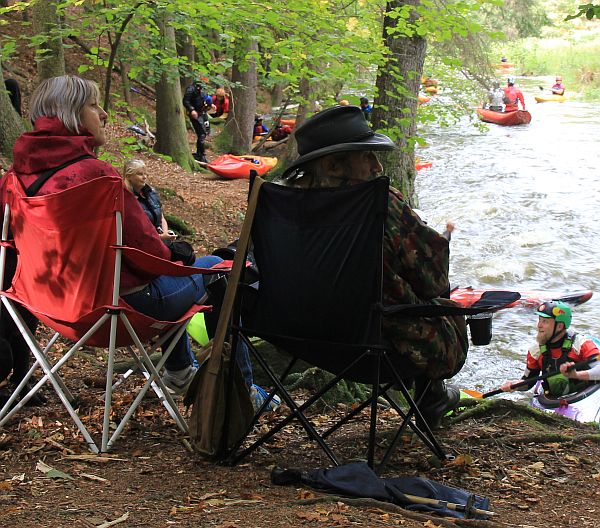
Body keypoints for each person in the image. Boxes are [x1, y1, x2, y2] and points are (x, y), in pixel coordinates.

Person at [0, 75, 250, 396]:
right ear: (70, 113)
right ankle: (238, 392)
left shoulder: (13, 181)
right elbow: (151, 257)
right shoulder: (98, 179)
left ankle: (181, 372)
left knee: (180, 282)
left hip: (52, 311)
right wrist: (178, 255)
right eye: (93, 105)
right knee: (219, 269)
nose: (103, 114)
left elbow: (12, 255)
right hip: (117, 312)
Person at [279, 105, 468, 429]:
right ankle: (431, 396)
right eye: (367, 157)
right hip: (372, 343)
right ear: (334, 164)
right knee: (447, 313)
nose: (378, 166)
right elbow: (434, 280)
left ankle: (430, 396)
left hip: (295, 334)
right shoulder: (378, 203)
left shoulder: (280, 205)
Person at [501, 302, 600, 397]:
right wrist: (514, 385)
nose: (539, 325)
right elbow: (528, 382)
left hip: (587, 392)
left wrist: (576, 375)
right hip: (555, 400)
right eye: (539, 320)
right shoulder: (535, 352)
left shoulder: (581, 344)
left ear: (560, 326)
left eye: (545, 321)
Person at [123, 159, 176, 241]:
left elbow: (161, 216)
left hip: (159, 239)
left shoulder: (151, 193)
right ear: (129, 176)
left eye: (145, 174)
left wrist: (165, 233)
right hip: (144, 244)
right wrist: (160, 237)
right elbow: (136, 232)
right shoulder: (126, 199)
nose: (144, 177)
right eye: (140, 174)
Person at [182, 78, 216, 163]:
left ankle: (199, 154)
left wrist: (211, 104)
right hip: (195, 114)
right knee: (201, 133)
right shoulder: (191, 89)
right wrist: (191, 110)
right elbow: (186, 101)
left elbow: (204, 98)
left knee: (204, 133)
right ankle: (201, 155)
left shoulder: (202, 89)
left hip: (202, 113)